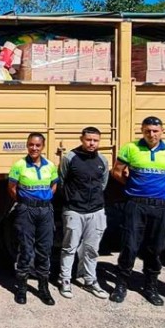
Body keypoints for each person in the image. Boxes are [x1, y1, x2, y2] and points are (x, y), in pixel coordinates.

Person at [110, 116, 165, 305]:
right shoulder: (130, 148)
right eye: (147, 130)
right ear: (142, 131)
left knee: (155, 248)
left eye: (155, 131)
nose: (151, 134)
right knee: (129, 245)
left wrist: (162, 191)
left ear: (162, 131)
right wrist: (133, 187)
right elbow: (117, 171)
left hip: (161, 206)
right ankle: (121, 284)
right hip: (136, 204)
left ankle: (151, 286)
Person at [58, 127, 109, 300]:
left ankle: (89, 280)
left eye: (95, 140)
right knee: (69, 248)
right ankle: (65, 280)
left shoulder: (102, 160)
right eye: (88, 140)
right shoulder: (70, 158)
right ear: (82, 139)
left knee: (91, 249)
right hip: (74, 210)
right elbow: (62, 181)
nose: (92, 143)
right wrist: (72, 201)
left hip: (96, 211)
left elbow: (103, 184)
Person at [8, 132, 59, 305]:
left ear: (43, 146)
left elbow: (54, 185)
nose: (34, 148)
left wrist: (43, 200)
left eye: (37, 145)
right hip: (26, 210)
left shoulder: (50, 165)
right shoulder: (19, 165)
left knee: (44, 250)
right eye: (31, 145)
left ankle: (43, 288)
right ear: (27, 145)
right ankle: (21, 288)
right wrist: (26, 203)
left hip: (45, 211)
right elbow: (12, 188)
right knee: (25, 249)